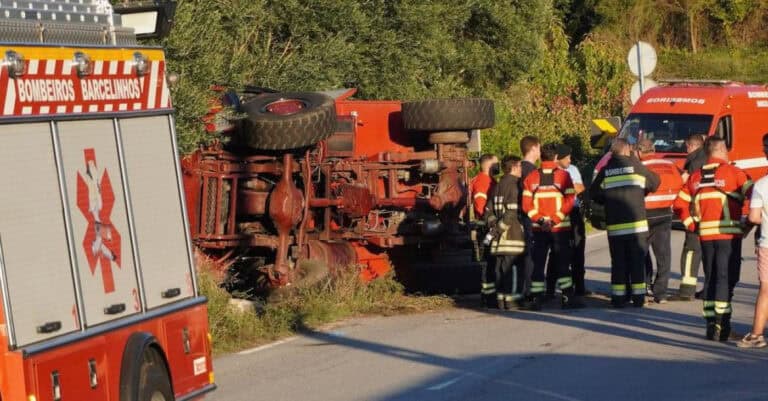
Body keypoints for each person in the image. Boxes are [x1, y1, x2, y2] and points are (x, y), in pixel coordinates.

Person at [674, 138, 752, 341]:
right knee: (726, 279)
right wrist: (750, 222)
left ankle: (710, 324)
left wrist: (693, 225)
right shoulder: (734, 173)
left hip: (706, 236)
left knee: (710, 278)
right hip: (729, 236)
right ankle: (723, 325)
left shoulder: (695, 177)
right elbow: (755, 193)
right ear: (722, 150)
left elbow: (679, 205)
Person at [590, 138, 660, 308]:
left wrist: (607, 200)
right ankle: (638, 298)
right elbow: (655, 182)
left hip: (615, 227)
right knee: (637, 262)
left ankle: (618, 298)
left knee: (618, 263)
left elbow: (594, 193)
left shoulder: (606, 171)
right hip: (637, 227)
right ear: (627, 150)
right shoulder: (636, 167)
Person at [522, 143, 582, 309]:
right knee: (563, 263)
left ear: (541, 157)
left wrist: (541, 220)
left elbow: (526, 205)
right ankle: (567, 297)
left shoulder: (531, 177)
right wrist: (555, 219)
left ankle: (536, 299)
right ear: (555, 157)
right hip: (560, 228)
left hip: (539, 229)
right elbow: (570, 201)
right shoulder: (563, 177)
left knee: (538, 263)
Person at [637, 139, 683, 304]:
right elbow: (682, 180)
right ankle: (660, 293)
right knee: (663, 255)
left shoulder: (639, 167)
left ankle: (643, 286)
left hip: (644, 214)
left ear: (639, 152)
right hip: (664, 213)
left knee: (641, 252)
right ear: (654, 149)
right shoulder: (669, 164)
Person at [485, 156, 527, 310]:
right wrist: (498, 229)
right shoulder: (514, 185)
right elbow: (511, 213)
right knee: (513, 270)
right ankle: (512, 301)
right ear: (515, 167)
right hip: (512, 237)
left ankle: (501, 300)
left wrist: (493, 227)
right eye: (520, 167)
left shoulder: (497, 185)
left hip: (498, 240)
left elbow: (488, 211)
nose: (522, 170)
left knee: (500, 270)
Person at [738, 134, 768, 348]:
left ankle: (757, 334)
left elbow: (754, 217)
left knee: (766, 290)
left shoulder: (762, 185)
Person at [548, 144, 588, 297]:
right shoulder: (551, 171)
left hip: (574, 213)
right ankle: (550, 288)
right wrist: (570, 185)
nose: (570, 160)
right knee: (556, 253)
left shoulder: (573, 169)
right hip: (558, 214)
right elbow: (574, 188)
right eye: (567, 157)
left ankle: (580, 288)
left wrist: (567, 185)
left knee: (578, 250)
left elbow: (580, 188)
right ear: (558, 158)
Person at [677, 134, 707, 300]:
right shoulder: (708, 158)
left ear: (690, 146)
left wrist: (689, 220)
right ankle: (708, 289)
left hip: (696, 213)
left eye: (686, 147)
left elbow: (689, 188)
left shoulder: (694, 162)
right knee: (709, 253)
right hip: (710, 213)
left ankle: (686, 291)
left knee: (691, 252)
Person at [471, 153, 499, 307]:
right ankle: (488, 296)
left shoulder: (489, 180)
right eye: (496, 164)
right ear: (489, 165)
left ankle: (490, 294)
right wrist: (490, 222)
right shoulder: (483, 181)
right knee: (487, 261)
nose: (498, 167)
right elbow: (481, 205)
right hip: (486, 227)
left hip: (489, 226)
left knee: (490, 260)